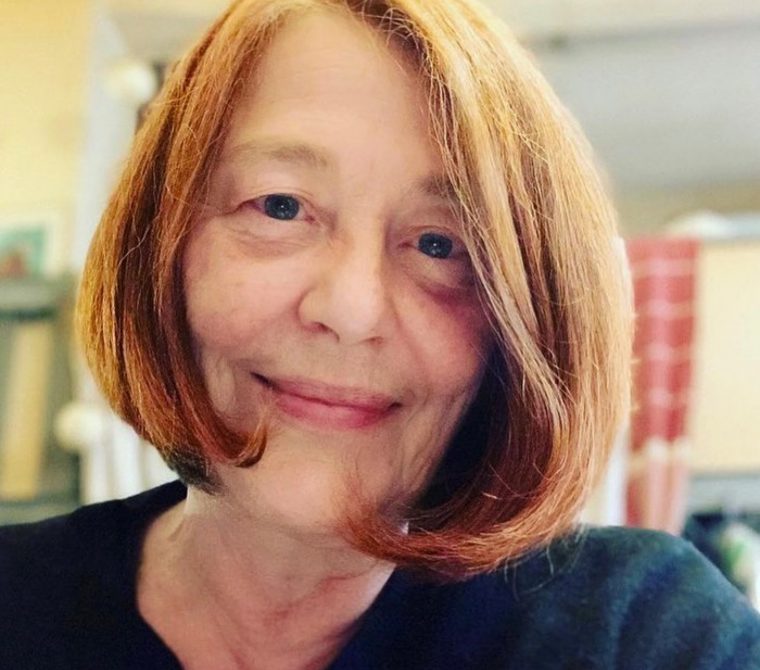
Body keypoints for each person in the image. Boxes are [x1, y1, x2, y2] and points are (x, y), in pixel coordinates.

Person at [2, 0, 759, 668]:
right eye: (280, 206)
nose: (352, 310)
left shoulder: (641, 632)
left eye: (439, 244)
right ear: (161, 250)